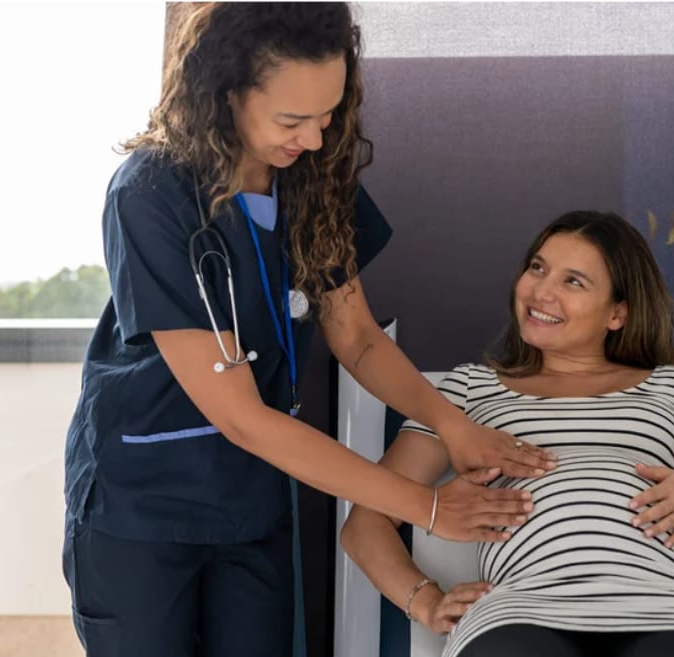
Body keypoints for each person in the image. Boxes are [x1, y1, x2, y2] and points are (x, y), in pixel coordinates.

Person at [62, 4, 557, 657]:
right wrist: (430, 508)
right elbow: (241, 418)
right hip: (142, 505)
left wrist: (449, 422)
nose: (316, 141)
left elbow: (358, 337)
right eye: (292, 121)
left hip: (252, 500)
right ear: (226, 93)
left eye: (327, 117)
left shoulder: (313, 178)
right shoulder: (152, 192)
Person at [341, 210, 674, 657]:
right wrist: (426, 602)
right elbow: (365, 524)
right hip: (519, 611)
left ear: (617, 313)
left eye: (573, 281)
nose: (541, 291)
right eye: (538, 268)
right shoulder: (468, 389)